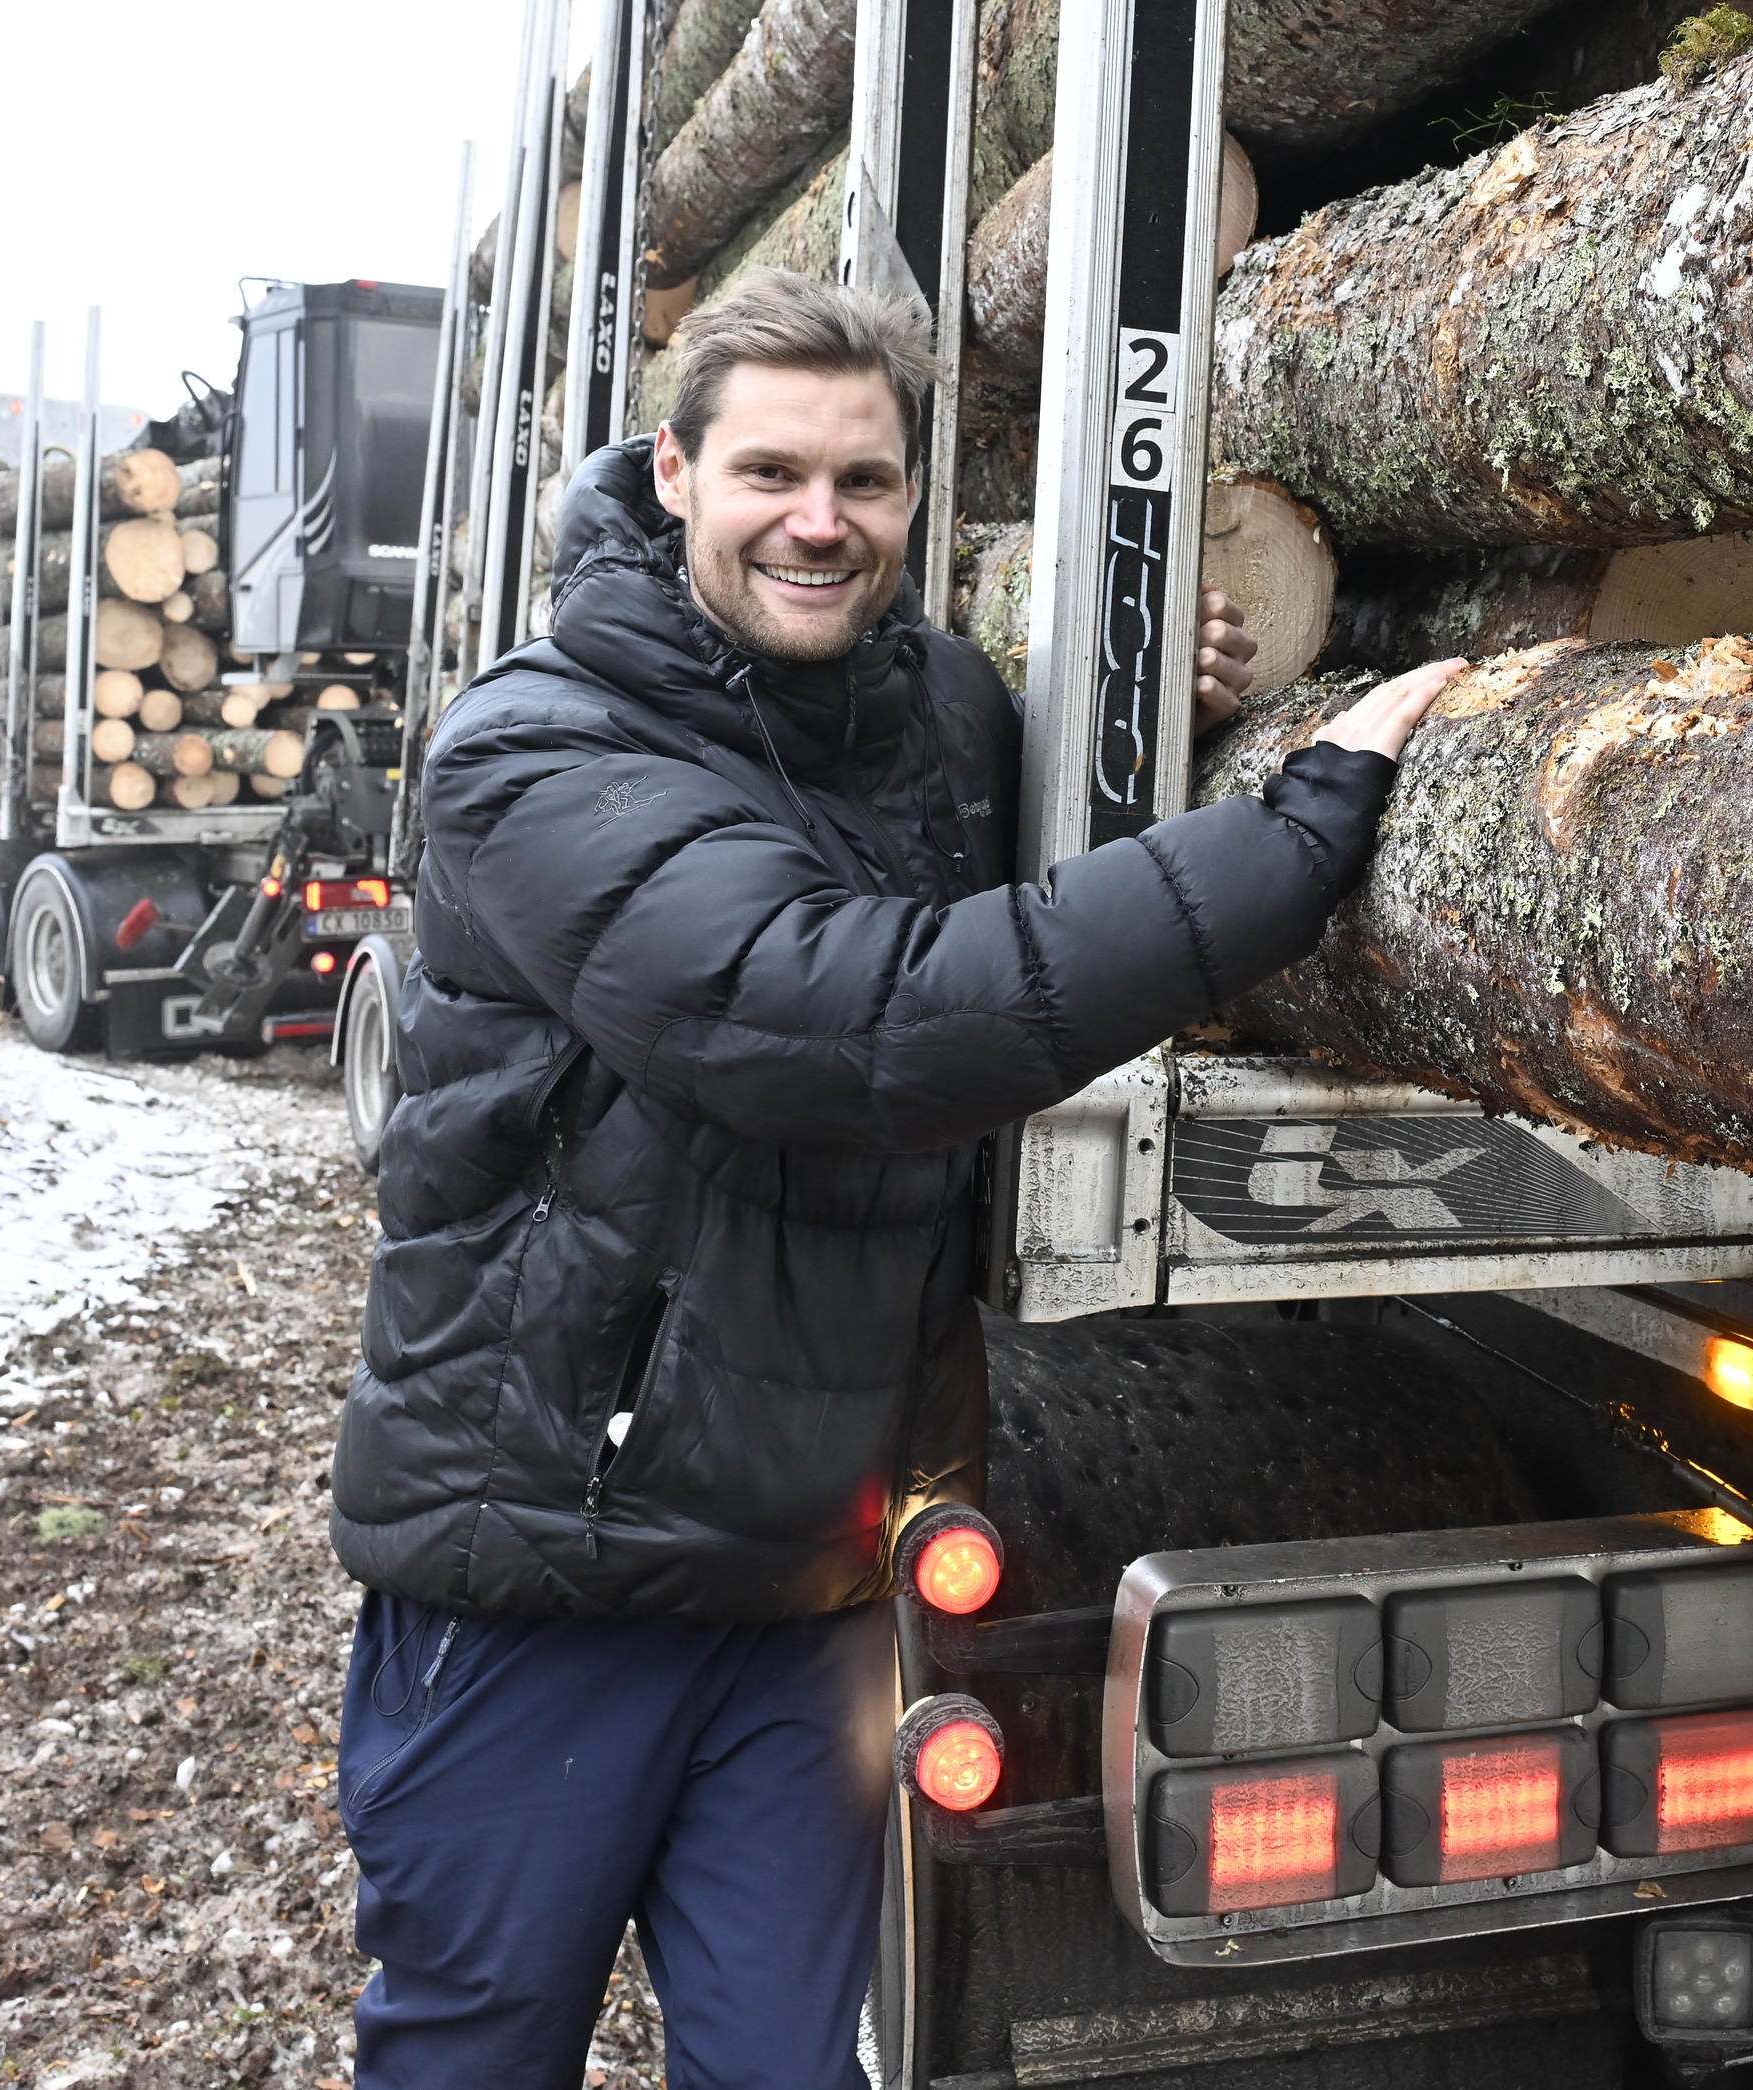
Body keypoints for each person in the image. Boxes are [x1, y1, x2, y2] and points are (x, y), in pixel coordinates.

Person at [328, 268, 1458, 2088]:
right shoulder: (536, 750)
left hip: (815, 1598)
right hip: (550, 1582)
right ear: (672, 473)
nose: (818, 519)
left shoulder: (932, 706)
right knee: (471, 2060)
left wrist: (1180, 701)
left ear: (915, 497)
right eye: (771, 470)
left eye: (865, 480)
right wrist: (1295, 833)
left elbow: (1043, 833)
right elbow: (842, 1024)